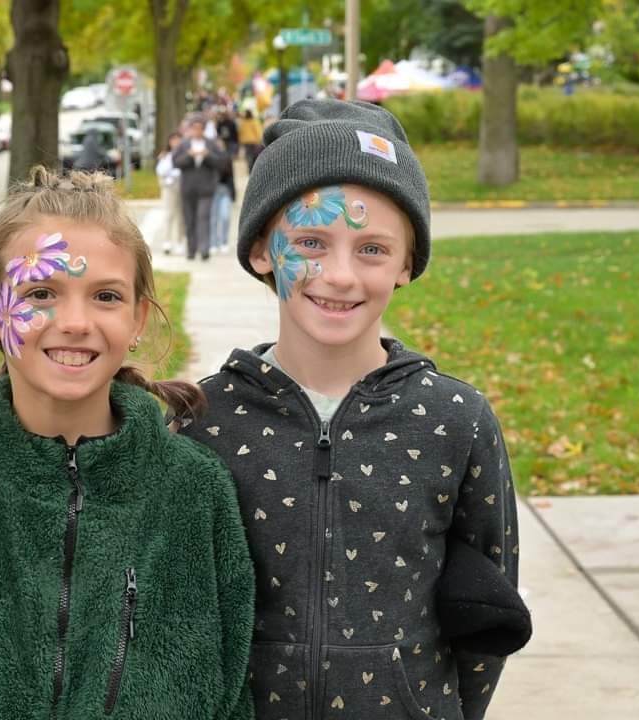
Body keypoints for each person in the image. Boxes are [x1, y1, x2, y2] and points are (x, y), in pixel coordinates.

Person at [0, 167, 256, 719]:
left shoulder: (195, 490)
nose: (76, 321)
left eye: (105, 296)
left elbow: (229, 696)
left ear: (137, 319)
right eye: (41, 292)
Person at [178, 100, 530, 720]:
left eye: (372, 249)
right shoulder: (202, 421)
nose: (339, 276)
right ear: (262, 249)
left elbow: (486, 619)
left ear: (407, 264)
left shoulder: (456, 419)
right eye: (311, 242)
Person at [173, 114, 228, 261]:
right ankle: (191, 249)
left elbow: (222, 163)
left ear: (203, 129)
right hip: (188, 188)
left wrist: (208, 155)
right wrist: (189, 156)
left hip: (206, 188)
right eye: (194, 128)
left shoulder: (211, 144)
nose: (197, 131)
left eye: (200, 128)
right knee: (189, 219)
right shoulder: (184, 144)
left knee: (203, 217)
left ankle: (204, 249)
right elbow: (175, 162)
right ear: (191, 129)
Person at [156, 131, 186, 255]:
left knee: (181, 216)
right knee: (169, 214)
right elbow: (160, 170)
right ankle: (167, 241)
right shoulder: (166, 155)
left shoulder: (185, 154)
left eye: (178, 140)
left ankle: (180, 241)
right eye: (173, 140)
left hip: (182, 185)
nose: (175, 143)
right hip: (169, 187)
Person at [209, 143, 236, 254]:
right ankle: (214, 243)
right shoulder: (209, 158)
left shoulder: (226, 157)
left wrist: (233, 193)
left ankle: (224, 242)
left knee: (225, 216)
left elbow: (230, 175)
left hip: (225, 189)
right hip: (212, 190)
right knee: (213, 218)